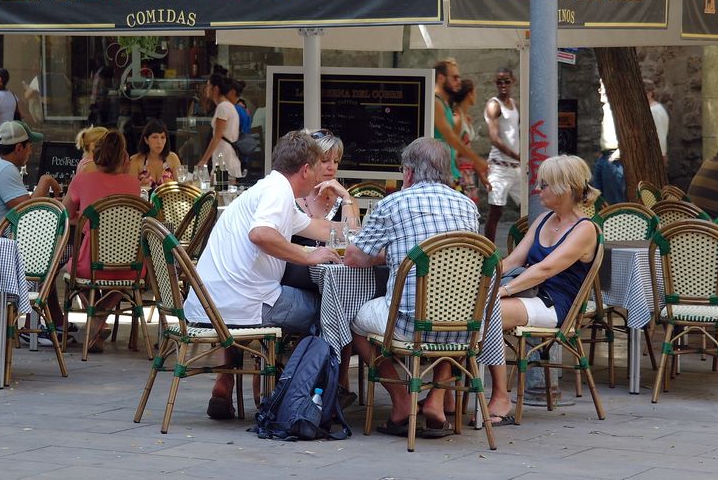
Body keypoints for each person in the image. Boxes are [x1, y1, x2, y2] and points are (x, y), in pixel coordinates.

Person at [184, 131, 342, 420]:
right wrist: (308, 255)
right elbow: (260, 234)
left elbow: (320, 229)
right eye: (319, 167)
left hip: (209, 303)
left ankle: (247, 377)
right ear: (305, 169)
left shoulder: (268, 188)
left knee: (303, 302)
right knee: (331, 311)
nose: (321, 175)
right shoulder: (278, 192)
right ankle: (293, 392)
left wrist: (358, 220)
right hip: (244, 304)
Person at [344, 138, 483, 438]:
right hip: (466, 326)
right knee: (450, 319)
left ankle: (401, 402)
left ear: (408, 173)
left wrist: (393, 253)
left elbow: (354, 258)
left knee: (356, 323)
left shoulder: (392, 203)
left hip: (408, 324)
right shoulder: (468, 207)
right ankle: (434, 401)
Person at [490, 154, 600, 426]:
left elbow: (546, 270)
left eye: (545, 184)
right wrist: (478, 281)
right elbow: (513, 261)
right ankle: (443, 396)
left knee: (487, 311)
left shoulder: (585, 229)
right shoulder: (542, 220)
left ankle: (501, 398)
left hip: (554, 305)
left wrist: (502, 291)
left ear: (565, 187)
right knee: (465, 309)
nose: (539, 189)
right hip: (528, 297)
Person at [63, 130, 141, 353]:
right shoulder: (133, 185)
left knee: (73, 273)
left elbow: (65, 214)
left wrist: (87, 216)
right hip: (130, 266)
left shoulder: (81, 180)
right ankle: (101, 315)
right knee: (126, 280)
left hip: (90, 264)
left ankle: (95, 316)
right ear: (124, 158)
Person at [433, 59, 487, 189]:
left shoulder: (444, 103)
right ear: (441, 78)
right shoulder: (435, 102)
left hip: (449, 173)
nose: (458, 81)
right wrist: (476, 160)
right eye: (455, 77)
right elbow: (450, 137)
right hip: (439, 175)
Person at [484, 67, 521, 243]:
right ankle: (489, 253)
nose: (503, 85)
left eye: (506, 81)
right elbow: (495, 139)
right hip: (499, 166)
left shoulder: (514, 105)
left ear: (513, 81)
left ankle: (525, 246)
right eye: (499, 82)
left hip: (516, 167)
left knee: (528, 206)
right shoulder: (494, 104)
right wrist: (518, 156)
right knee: (496, 211)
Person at [195, 72, 242, 180]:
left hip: (224, 155)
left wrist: (204, 160)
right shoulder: (227, 106)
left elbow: (217, 136)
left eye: (208, 86)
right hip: (225, 153)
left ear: (215, 89)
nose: (206, 89)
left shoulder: (223, 107)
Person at [592, 81, 626, 204]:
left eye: (603, 87)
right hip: (605, 156)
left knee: (614, 200)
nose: (601, 90)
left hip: (614, 157)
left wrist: (618, 153)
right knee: (597, 198)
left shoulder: (619, 108)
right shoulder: (605, 108)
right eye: (600, 87)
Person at [128, 119, 180, 190]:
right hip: (143, 200)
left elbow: (181, 188)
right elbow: (129, 192)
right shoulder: (136, 160)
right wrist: (139, 187)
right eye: (155, 137)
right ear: (146, 140)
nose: (159, 142)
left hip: (169, 200)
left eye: (162, 137)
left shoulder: (172, 158)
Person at [452, 79, 482, 203]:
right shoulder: (457, 118)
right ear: (469, 94)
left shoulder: (466, 118)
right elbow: (453, 148)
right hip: (460, 173)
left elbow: (467, 148)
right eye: (474, 92)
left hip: (468, 171)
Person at [644, 79, 670, 167]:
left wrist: (662, 154)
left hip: (655, 155)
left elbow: (660, 134)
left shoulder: (655, 111)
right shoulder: (651, 110)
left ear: (650, 94)